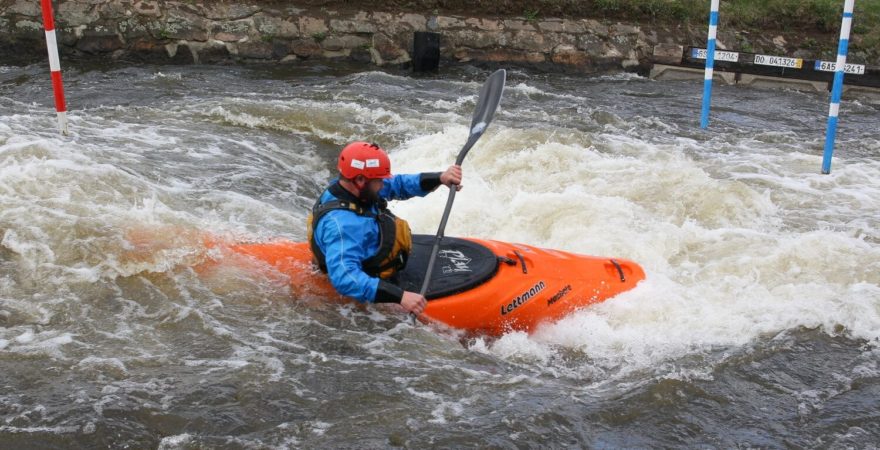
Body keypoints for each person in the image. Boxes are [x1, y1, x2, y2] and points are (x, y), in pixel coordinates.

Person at [307, 141, 462, 317]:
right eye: (379, 180)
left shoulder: (354, 187)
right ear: (359, 180)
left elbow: (398, 184)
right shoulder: (342, 226)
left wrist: (440, 178)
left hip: (367, 258)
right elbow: (345, 278)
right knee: (436, 328)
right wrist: (400, 297)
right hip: (363, 285)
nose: (383, 185)